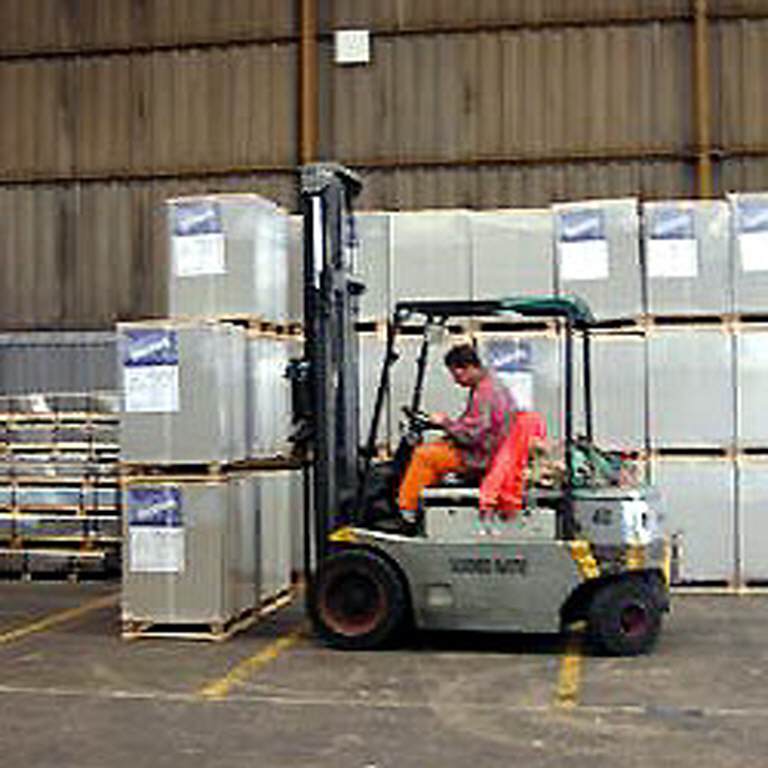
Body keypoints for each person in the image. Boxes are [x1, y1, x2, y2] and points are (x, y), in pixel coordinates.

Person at [398, 343, 517, 522]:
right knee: (438, 446)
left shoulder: (486, 393)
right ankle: (427, 504)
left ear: (469, 368)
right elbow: (474, 428)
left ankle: (407, 510)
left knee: (424, 456)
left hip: (481, 456)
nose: (455, 380)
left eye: (456, 374)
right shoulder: (488, 385)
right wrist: (448, 430)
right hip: (487, 449)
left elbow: (472, 435)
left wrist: (446, 423)